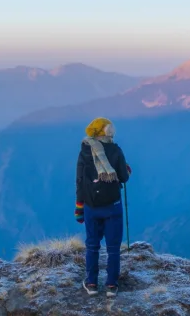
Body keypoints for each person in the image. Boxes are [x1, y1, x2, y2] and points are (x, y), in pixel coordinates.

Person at [74, 117, 130, 297]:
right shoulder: (115, 150)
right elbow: (123, 177)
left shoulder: (84, 151)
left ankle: (91, 284)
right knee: (113, 247)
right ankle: (111, 285)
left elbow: (80, 181)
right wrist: (126, 170)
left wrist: (79, 207)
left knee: (92, 245)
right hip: (113, 206)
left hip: (91, 206)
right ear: (105, 131)